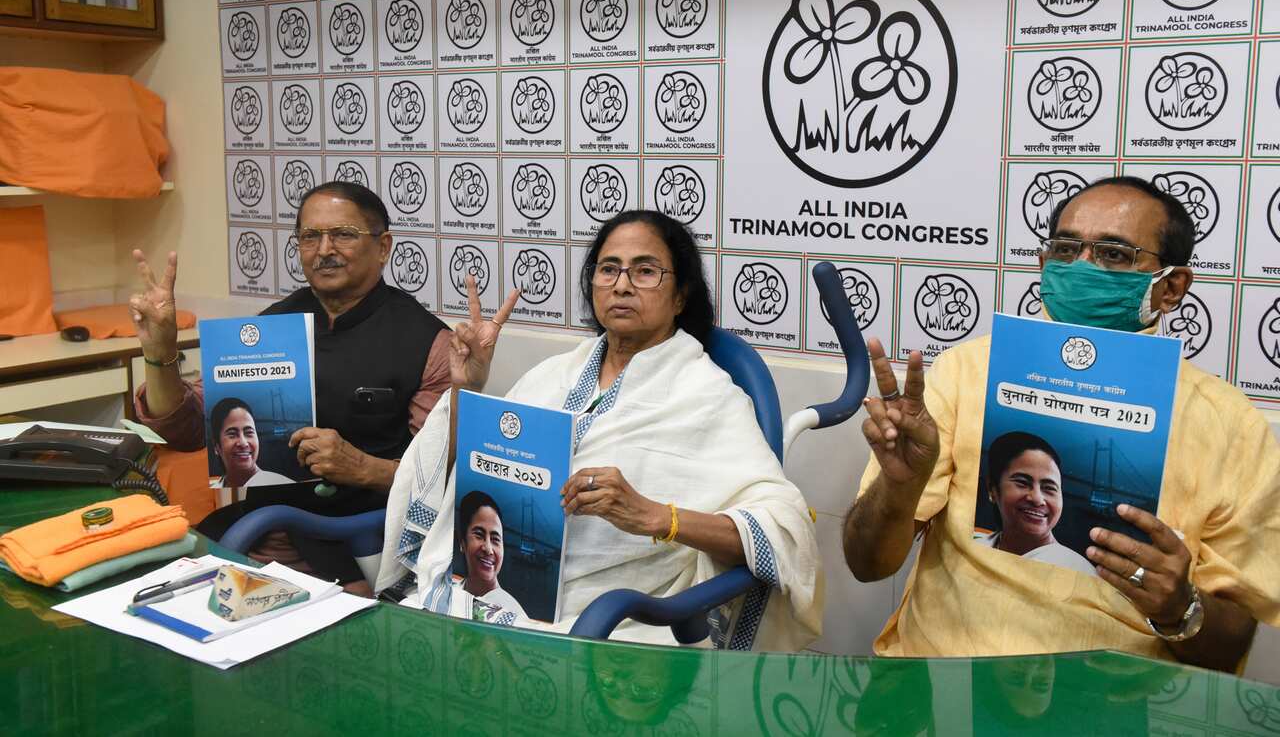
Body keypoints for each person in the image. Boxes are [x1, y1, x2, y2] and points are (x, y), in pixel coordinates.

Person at [844, 176, 1280, 672]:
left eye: (1114, 254)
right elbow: (867, 565)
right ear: (1043, 265)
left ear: (1172, 287)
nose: (1082, 267)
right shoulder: (965, 374)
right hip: (947, 678)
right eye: (1066, 249)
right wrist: (899, 490)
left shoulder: (1231, 426)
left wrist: (1180, 607)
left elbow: (1231, 644)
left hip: (1115, 700)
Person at [377, 210, 821, 650]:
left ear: (681, 295)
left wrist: (656, 517)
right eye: (608, 269)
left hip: (613, 620)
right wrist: (466, 388)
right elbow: (458, 480)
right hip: (487, 594)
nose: (622, 284)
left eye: (645, 271)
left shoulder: (709, 396)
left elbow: (783, 525)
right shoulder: (552, 375)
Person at [130, 181, 452, 589]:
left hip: (357, 544)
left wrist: (363, 468)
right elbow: (188, 428)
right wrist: (161, 354)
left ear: (383, 246)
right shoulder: (270, 327)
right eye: (310, 236)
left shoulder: (428, 342)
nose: (324, 250)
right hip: (253, 534)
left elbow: (436, 480)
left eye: (343, 235)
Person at [975, 431, 1094, 576]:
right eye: (1022, 483)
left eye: (1049, 488)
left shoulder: (1079, 571)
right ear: (992, 489)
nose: (1037, 499)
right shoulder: (973, 548)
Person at [455, 491, 528, 621]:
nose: (488, 549)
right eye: (479, 535)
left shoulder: (513, 613)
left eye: (495, 539)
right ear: (462, 541)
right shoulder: (450, 591)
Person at [207, 396, 292, 489]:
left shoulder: (284, 485)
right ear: (216, 446)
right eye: (232, 434)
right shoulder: (213, 491)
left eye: (249, 433)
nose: (243, 443)